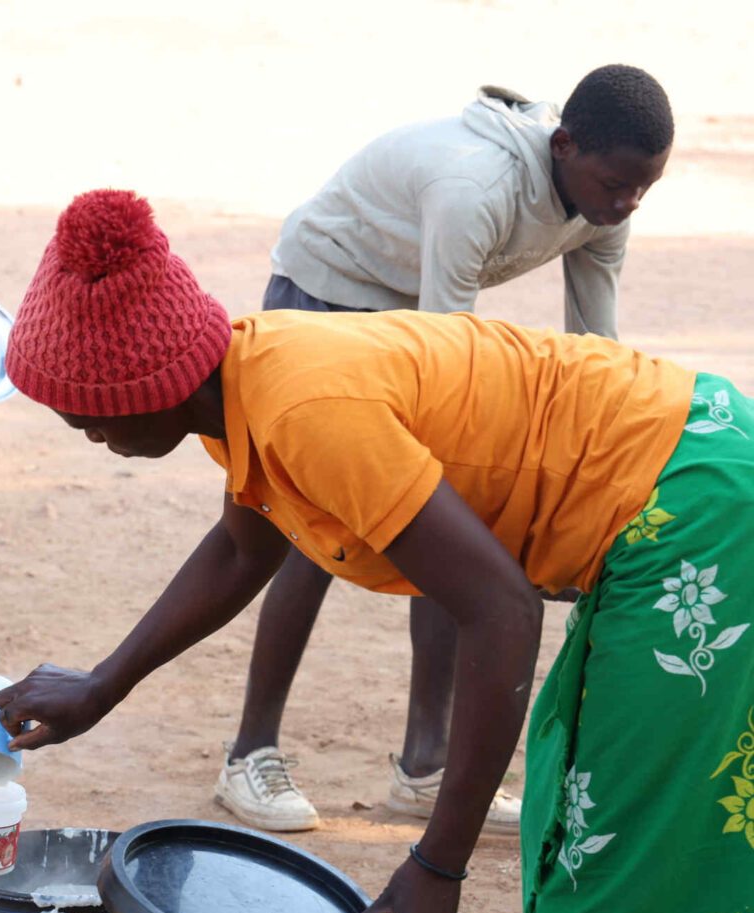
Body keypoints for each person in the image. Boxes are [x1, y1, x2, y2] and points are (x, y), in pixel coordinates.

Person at [0, 190, 754, 913]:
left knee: (629, 844)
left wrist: (437, 865)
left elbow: (502, 613)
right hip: (677, 479)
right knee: (598, 810)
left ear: (153, 386)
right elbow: (240, 550)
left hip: (691, 513)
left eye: (86, 412)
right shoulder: (247, 382)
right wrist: (104, 684)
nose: (85, 431)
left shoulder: (303, 409)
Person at [215, 64, 673, 835]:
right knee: (312, 530)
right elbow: (450, 362)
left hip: (407, 311)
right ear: (563, 147)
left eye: (642, 190)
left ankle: (424, 769)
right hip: (325, 295)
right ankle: (247, 755)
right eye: (616, 185)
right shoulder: (475, 191)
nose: (625, 204)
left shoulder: (606, 206)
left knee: (447, 527)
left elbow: (599, 355)